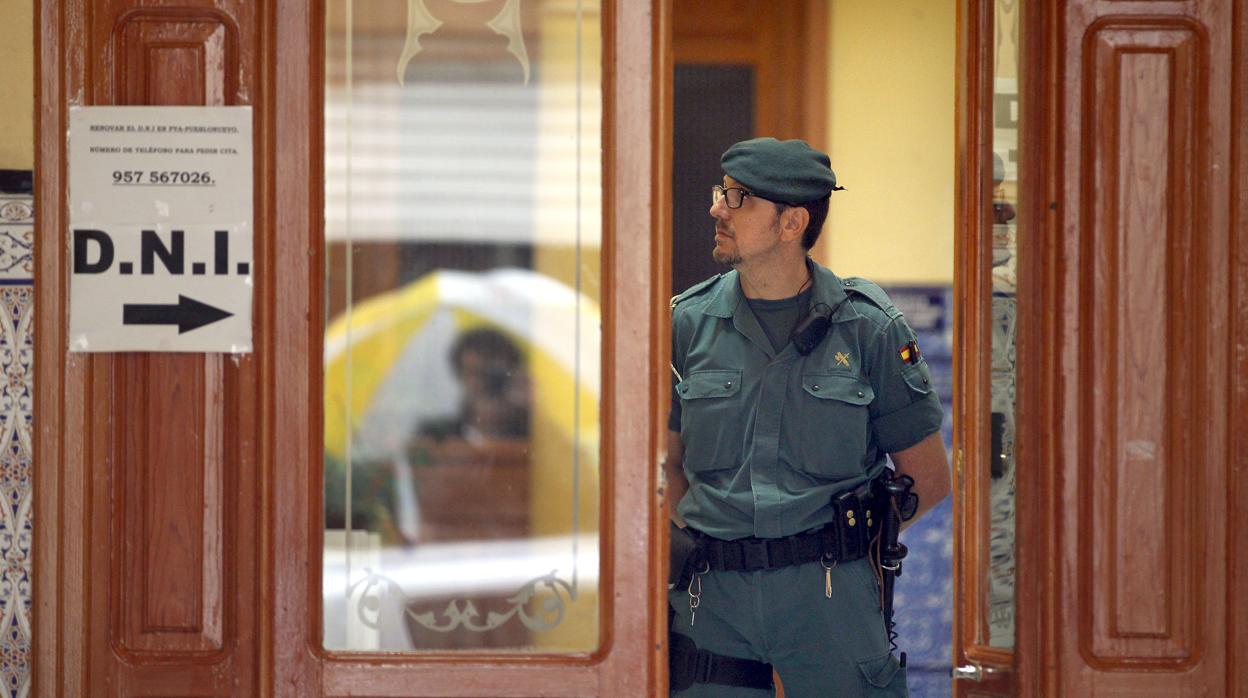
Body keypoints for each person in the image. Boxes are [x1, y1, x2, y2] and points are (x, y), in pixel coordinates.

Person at [664, 137, 951, 697]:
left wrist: (847, 556)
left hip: (829, 597)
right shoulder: (686, 324)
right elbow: (666, 467)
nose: (717, 208)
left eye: (738, 198)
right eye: (721, 192)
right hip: (712, 596)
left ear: (791, 222)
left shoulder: (869, 328)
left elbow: (929, 479)